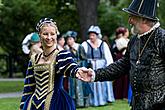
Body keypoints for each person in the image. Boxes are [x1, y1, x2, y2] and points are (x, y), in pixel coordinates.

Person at [78, 0, 165, 110]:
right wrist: (95, 74)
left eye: (132, 17)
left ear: (144, 19)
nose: (129, 21)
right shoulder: (134, 40)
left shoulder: (162, 39)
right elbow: (122, 65)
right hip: (137, 105)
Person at [19, 18, 88, 110]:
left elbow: (69, 66)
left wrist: (77, 71)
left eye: (52, 34)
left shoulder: (61, 55)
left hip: (57, 103)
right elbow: (28, 87)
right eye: (45, 34)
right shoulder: (34, 59)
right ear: (40, 35)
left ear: (56, 35)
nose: (49, 37)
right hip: (34, 104)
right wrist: (22, 106)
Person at [81, 25, 115, 106]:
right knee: (92, 85)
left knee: (102, 83)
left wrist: (109, 68)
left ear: (97, 35)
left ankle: (104, 100)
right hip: (90, 68)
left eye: (93, 35)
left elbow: (108, 57)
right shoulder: (85, 44)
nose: (91, 37)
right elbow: (82, 57)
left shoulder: (103, 44)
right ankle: (92, 101)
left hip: (101, 67)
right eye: (90, 35)